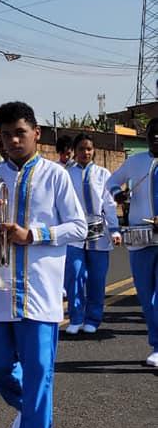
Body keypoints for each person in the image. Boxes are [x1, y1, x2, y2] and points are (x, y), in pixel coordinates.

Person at [0, 102, 86, 428]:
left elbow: (79, 228)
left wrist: (35, 234)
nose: (13, 141)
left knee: (39, 373)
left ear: (36, 133)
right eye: (6, 135)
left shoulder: (55, 175)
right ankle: (31, 410)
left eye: (20, 133)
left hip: (38, 291)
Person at [106, 118, 158, 368]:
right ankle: (156, 344)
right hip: (141, 237)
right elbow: (111, 182)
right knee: (146, 295)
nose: (156, 138)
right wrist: (119, 194)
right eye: (152, 134)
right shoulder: (135, 162)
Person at [65, 133, 121, 335]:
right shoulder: (66, 174)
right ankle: (76, 317)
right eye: (81, 149)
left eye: (88, 149)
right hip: (74, 232)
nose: (85, 152)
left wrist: (114, 229)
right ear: (74, 151)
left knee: (96, 278)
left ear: (94, 150)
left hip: (99, 232)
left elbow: (109, 204)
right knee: (74, 275)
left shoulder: (103, 174)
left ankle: (93, 318)